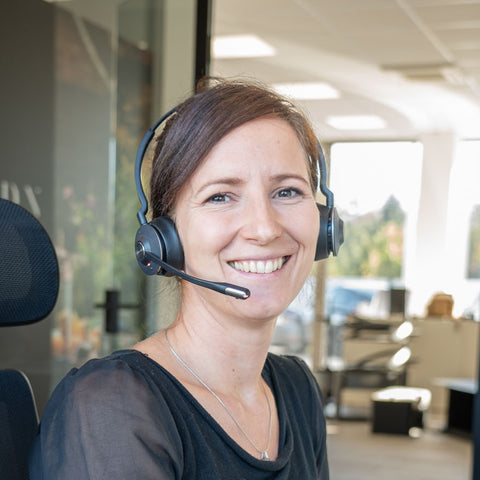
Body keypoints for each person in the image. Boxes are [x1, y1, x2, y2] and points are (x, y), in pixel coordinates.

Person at [29, 78, 330, 479]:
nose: (265, 228)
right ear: (163, 241)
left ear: (326, 225)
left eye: (288, 192)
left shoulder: (296, 389)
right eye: (220, 196)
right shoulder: (113, 406)